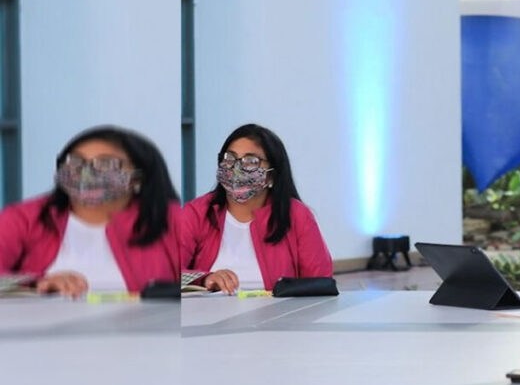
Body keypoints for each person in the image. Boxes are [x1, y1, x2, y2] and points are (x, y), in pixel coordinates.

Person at [0, 126, 180, 297]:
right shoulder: (22, 218)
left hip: (149, 320)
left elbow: (193, 279)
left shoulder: (172, 220)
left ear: (138, 179)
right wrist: (36, 284)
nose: (85, 172)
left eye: (105, 164)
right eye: (75, 161)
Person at [179, 124, 333, 293]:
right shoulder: (197, 213)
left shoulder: (297, 215)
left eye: (251, 162)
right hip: (209, 309)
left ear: (271, 176)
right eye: (230, 158)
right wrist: (204, 279)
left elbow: (320, 284)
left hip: (278, 310)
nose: (236, 169)